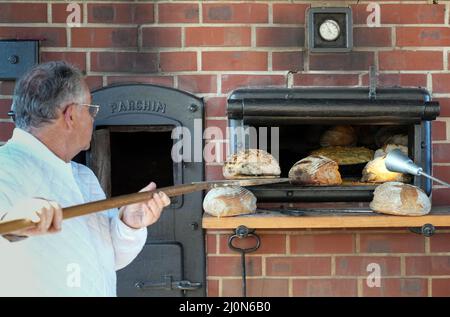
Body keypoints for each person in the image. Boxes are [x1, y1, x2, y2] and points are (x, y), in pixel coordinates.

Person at [0, 61, 171, 296]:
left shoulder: (82, 176)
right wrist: (14, 224)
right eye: (90, 110)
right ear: (70, 115)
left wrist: (129, 224)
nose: (93, 119)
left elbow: (106, 258)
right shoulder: (5, 169)